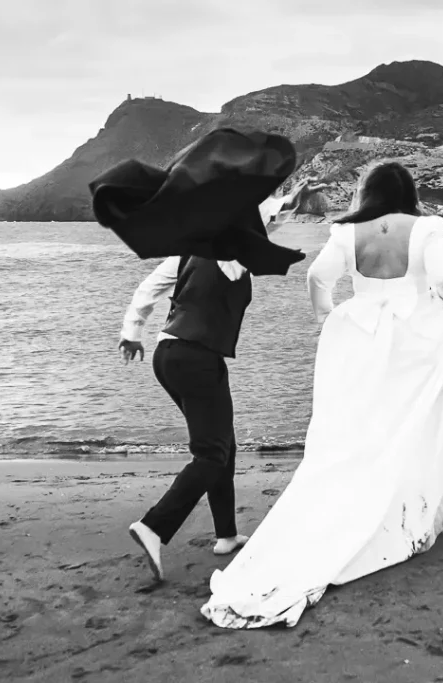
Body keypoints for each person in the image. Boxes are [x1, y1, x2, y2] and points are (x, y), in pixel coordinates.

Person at [200, 161, 443, 629]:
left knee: (362, 433)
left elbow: (317, 280)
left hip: (361, 337)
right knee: (414, 428)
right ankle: (412, 517)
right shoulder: (425, 226)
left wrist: (329, 318)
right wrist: (441, 306)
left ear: (368, 194)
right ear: (406, 192)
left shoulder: (347, 231)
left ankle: (362, 514)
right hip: (415, 340)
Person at [121, 177, 329, 583]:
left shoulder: (190, 252)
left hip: (169, 355)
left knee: (223, 445)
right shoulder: (230, 250)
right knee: (212, 454)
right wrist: (287, 201)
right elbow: (256, 220)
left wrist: (131, 332)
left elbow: (148, 290)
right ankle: (153, 526)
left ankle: (226, 535)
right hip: (196, 357)